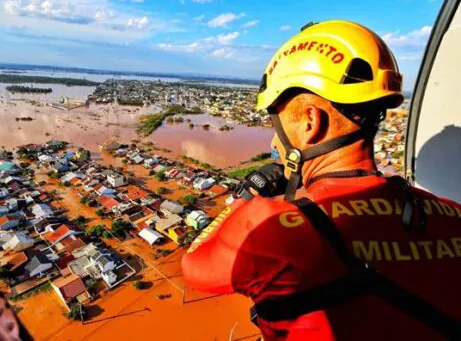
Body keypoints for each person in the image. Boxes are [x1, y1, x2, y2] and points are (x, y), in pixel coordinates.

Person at [181, 20, 461, 341]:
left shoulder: (266, 229)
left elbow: (193, 265)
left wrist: (247, 195)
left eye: (278, 127)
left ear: (311, 122)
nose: (274, 143)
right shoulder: (451, 213)